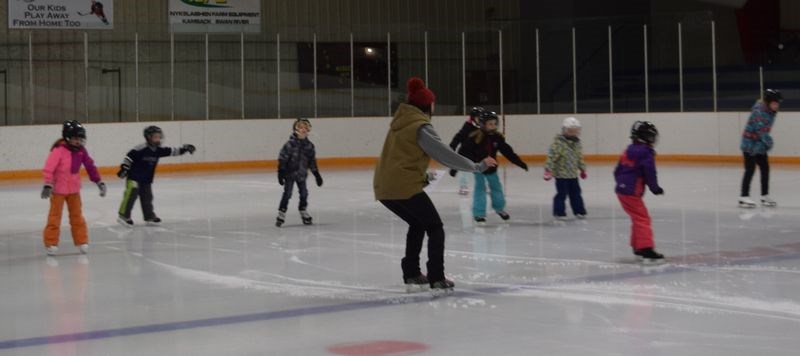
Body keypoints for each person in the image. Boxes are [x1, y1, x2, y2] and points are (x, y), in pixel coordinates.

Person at [374, 77, 497, 295]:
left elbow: (400, 159)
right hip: (403, 186)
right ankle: (436, 277)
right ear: (428, 105)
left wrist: (422, 176)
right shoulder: (420, 126)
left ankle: (411, 272)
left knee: (418, 223)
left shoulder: (399, 123)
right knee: (435, 227)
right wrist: (477, 166)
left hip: (385, 186)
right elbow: (445, 155)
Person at [41, 121, 106, 256]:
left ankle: (82, 241)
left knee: (77, 217)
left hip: (74, 190)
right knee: (54, 217)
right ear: (67, 137)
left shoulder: (81, 151)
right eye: (76, 138)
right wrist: (48, 183)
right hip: (58, 190)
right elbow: (49, 167)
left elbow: (90, 166)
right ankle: (51, 243)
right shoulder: (58, 150)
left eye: (81, 139)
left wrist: (98, 181)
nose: (79, 142)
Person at [453, 111, 528, 224]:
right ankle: (479, 214)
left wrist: (519, 162)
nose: (493, 126)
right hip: (478, 168)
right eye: (490, 124)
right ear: (483, 124)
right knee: (480, 189)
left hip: (492, 169)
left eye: (495, 124)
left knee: (496, 188)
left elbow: (507, 151)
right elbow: (463, 152)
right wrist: (455, 167)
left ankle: (499, 208)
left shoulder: (497, 138)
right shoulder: (474, 137)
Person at [116, 126, 196, 227]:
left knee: (147, 198)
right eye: (155, 137)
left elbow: (172, 151)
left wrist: (184, 149)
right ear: (148, 138)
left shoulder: (159, 150)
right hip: (134, 177)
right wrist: (124, 168)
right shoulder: (140, 149)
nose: (158, 139)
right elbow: (129, 157)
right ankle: (123, 215)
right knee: (132, 194)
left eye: (159, 137)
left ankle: (149, 216)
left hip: (146, 179)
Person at [614, 121, 665, 265]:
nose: (653, 139)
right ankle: (646, 249)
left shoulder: (628, 150)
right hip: (631, 192)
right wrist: (655, 188)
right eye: (651, 136)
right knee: (643, 219)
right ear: (644, 137)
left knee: (637, 218)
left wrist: (621, 184)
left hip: (622, 191)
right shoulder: (646, 153)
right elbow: (650, 173)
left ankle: (638, 247)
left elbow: (617, 171)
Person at [739, 89, 783, 208]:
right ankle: (743, 197)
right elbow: (761, 131)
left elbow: (763, 133)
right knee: (750, 169)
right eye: (775, 103)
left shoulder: (770, 112)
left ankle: (764, 196)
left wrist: (764, 144)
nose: (777, 105)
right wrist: (769, 142)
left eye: (778, 103)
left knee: (765, 168)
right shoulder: (759, 111)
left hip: (759, 144)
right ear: (768, 102)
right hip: (749, 145)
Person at [276, 118, 323, 227]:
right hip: (289, 174)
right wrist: (281, 171)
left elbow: (312, 161)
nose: (303, 129)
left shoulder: (309, 146)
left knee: (304, 193)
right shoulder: (290, 144)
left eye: (305, 127)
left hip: (301, 175)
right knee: (287, 193)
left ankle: (303, 210)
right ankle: (282, 212)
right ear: (295, 129)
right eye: (300, 127)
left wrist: (316, 174)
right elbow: (282, 158)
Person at [544, 117, 588, 220]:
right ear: (565, 130)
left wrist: (582, 169)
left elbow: (579, 157)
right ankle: (559, 212)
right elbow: (551, 157)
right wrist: (548, 170)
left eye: (576, 131)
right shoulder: (558, 143)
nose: (573, 133)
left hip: (573, 175)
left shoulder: (577, 144)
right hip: (561, 175)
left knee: (576, 194)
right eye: (571, 131)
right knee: (561, 194)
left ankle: (579, 211)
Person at [448, 106, 484, 195]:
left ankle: (482, 186)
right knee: (464, 171)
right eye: (478, 117)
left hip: (476, 153)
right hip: (465, 152)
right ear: (473, 118)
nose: (480, 119)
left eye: (481, 118)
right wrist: (452, 147)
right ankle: (463, 186)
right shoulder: (467, 127)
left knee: (481, 169)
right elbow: (458, 137)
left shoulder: (483, 128)